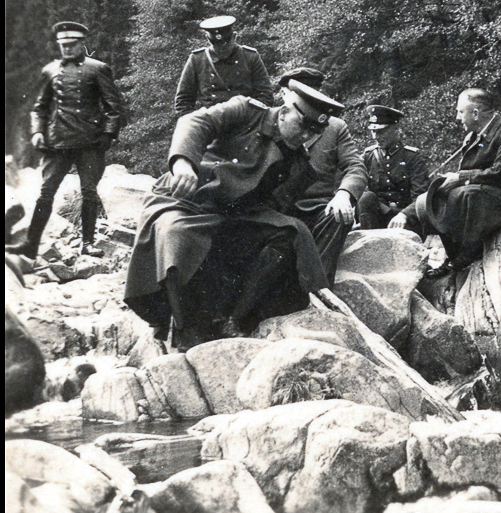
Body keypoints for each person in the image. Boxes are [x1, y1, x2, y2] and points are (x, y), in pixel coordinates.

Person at [124, 82, 336, 349]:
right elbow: (195, 122)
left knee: (291, 233)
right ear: (283, 112)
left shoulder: (297, 163)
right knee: (177, 235)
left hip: (232, 214)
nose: (306, 135)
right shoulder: (245, 110)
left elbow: (276, 204)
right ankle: (183, 328)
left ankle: (236, 319)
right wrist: (183, 164)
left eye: (314, 131)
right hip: (188, 198)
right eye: (303, 125)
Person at [389, 89, 501, 274]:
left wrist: (461, 178)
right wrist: (452, 181)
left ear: (476, 113)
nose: (457, 117)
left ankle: (465, 257)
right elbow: (471, 173)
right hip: (492, 193)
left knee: (468, 195)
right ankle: (453, 255)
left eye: (460, 112)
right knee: (433, 199)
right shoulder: (471, 137)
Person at [7, 22, 125, 258]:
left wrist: (107, 135)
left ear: (82, 44)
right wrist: (38, 132)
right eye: (63, 45)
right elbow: (39, 108)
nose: (68, 50)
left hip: (89, 143)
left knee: (89, 192)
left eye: (72, 45)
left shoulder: (97, 69)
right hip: (57, 143)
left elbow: (114, 107)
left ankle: (88, 243)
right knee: (46, 193)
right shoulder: (50, 71)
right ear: (59, 45)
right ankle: (31, 245)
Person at [288, 83, 368, 282]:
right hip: (281, 208)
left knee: (339, 216)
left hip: (318, 209)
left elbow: (355, 166)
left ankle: (318, 289)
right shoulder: (275, 122)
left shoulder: (335, 127)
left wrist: (343, 194)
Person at [174, 15, 275, 115]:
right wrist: (199, 124)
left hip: (245, 121)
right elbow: (183, 101)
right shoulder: (197, 59)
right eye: (216, 46)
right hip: (211, 123)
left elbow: (265, 95)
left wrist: (251, 119)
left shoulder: (250, 57)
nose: (221, 50)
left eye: (225, 45)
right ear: (207, 39)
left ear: (234, 37)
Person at [357, 105, 430, 229]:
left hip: (404, 219)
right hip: (376, 219)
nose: (375, 137)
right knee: (366, 197)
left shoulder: (412, 157)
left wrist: (404, 215)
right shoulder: (368, 156)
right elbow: (354, 181)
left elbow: (420, 195)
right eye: (373, 131)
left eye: (381, 131)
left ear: (396, 129)